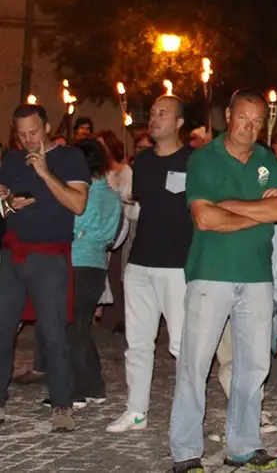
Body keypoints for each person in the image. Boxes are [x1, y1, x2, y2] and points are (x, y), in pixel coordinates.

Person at [169, 90, 277, 473]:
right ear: (227, 116)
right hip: (211, 273)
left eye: (257, 121)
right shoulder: (204, 158)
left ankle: (243, 444)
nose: (250, 127)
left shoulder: (268, 161)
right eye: (243, 118)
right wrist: (260, 212)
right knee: (195, 364)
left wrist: (230, 206)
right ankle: (186, 452)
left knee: (253, 366)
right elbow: (205, 219)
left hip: (257, 275)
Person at [0, 103, 91, 431]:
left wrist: (45, 172)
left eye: (33, 133)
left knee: (53, 333)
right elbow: (1, 209)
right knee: (1, 330)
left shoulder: (70, 158)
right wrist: (7, 204)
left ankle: (62, 405)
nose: (27, 140)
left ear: (48, 127)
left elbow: (78, 204)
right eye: (21, 134)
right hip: (11, 254)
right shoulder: (10, 160)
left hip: (49, 255)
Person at [109, 96, 194, 434]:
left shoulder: (195, 161)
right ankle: (136, 410)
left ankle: (188, 412)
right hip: (140, 264)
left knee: (181, 344)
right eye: (153, 113)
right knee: (138, 342)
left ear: (179, 123)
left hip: (178, 268)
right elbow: (138, 206)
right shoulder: (140, 163)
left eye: (163, 114)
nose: (155, 119)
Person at [65, 138, 122, 409]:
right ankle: (94, 386)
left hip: (75, 260)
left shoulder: (80, 193)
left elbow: (73, 225)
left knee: (73, 328)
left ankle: (77, 390)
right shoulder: (112, 195)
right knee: (82, 327)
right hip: (97, 264)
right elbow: (112, 235)